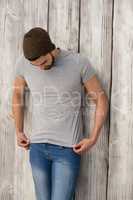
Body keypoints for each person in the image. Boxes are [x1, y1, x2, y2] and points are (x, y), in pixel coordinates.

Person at [12, 27, 109, 200]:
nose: (40, 68)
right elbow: (17, 95)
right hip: (37, 148)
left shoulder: (78, 63)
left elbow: (101, 99)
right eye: (36, 65)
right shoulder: (23, 64)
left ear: (50, 48)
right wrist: (18, 131)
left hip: (67, 150)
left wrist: (93, 138)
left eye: (43, 62)